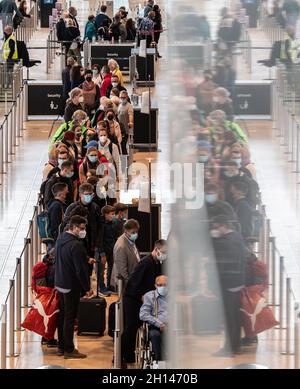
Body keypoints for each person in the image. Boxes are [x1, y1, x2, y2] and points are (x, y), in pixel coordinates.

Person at [122, 240, 167, 364]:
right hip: (133, 298)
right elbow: (133, 282)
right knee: (131, 328)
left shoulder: (157, 262)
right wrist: (143, 295)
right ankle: (125, 356)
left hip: (145, 298)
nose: (165, 254)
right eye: (163, 252)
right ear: (156, 250)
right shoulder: (145, 262)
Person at [55, 215, 92, 359]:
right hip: (71, 285)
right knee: (70, 317)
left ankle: (61, 346)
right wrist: (87, 288)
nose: (83, 231)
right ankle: (69, 350)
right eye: (81, 228)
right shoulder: (76, 245)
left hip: (60, 282)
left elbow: (66, 258)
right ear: (74, 227)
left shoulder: (61, 238)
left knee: (62, 315)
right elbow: (80, 271)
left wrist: (85, 258)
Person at [210, 215, 247, 356]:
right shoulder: (236, 236)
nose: (215, 230)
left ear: (223, 226)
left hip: (228, 284)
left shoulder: (226, 241)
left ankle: (229, 348)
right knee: (235, 316)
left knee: (229, 317)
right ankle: (235, 345)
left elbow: (223, 265)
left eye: (216, 227)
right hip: (237, 282)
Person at [62, 183, 102, 258]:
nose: (89, 196)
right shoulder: (72, 207)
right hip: (76, 243)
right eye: (86, 194)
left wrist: (97, 243)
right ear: (80, 195)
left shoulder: (95, 207)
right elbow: (65, 223)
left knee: (89, 267)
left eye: (91, 194)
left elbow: (99, 226)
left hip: (91, 244)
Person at [139, 275, 168, 361]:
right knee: (155, 335)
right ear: (155, 285)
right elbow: (143, 314)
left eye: (165, 285)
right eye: (159, 285)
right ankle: (159, 361)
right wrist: (160, 324)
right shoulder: (149, 296)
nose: (162, 287)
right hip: (155, 326)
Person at [111, 219, 140, 290]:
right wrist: (130, 284)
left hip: (133, 278)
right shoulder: (121, 246)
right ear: (126, 231)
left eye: (136, 232)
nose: (135, 234)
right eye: (133, 232)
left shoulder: (130, 239)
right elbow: (122, 270)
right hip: (125, 284)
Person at [98, 205, 118, 295]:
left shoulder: (114, 223)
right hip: (103, 250)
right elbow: (99, 240)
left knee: (111, 268)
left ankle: (109, 286)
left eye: (114, 214)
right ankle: (101, 288)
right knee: (101, 270)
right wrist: (102, 254)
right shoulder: (101, 225)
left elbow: (115, 237)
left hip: (112, 249)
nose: (113, 216)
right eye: (111, 214)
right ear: (105, 214)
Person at [47, 182, 69, 248]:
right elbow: (55, 225)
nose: (68, 192)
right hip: (56, 240)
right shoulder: (56, 206)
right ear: (60, 194)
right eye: (66, 191)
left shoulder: (56, 204)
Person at [117, 90, 134, 154]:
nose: (122, 99)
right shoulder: (119, 104)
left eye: (124, 97)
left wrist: (130, 122)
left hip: (125, 130)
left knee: (123, 146)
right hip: (119, 129)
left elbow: (131, 115)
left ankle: (125, 161)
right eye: (121, 97)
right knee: (120, 146)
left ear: (127, 97)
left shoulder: (129, 106)